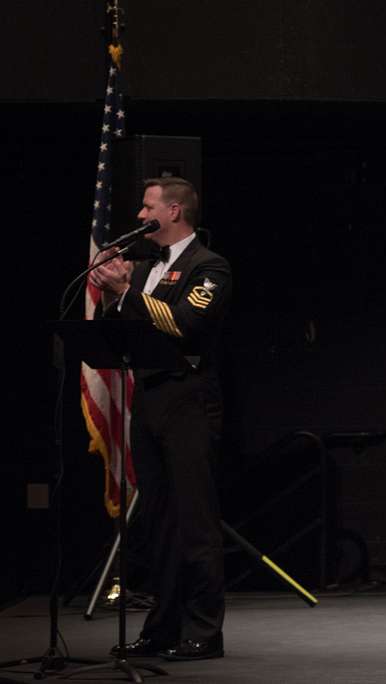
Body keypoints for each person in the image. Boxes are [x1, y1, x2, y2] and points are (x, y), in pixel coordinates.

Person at [89, 177, 231, 660]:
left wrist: (127, 291)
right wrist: (111, 292)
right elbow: (124, 330)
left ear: (174, 211)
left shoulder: (209, 266)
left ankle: (205, 631)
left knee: (195, 520)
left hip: (189, 400)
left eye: (147, 207)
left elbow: (184, 324)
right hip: (147, 398)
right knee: (158, 522)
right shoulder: (146, 265)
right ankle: (162, 628)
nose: (139, 217)